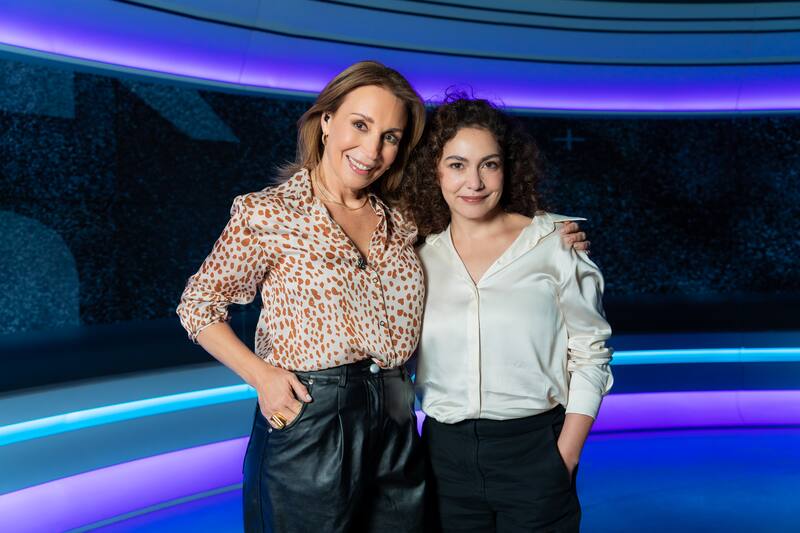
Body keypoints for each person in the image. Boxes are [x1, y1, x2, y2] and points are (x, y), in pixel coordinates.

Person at [177, 61, 590, 532]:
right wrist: (261, 376)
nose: (372, 150)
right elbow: (199, 304)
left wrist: (548, 233)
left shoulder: (405, 219)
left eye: (390, 137)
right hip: (311, 419)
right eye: (360, 125)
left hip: (397, 421)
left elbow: (475, 205)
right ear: (326, 121)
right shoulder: (268, 213)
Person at [402, 96, 613, 532]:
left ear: (508, 168)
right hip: (443, 459)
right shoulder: (416, 258)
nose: (474, 182)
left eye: (489, 164)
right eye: (457, 165)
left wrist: (565, 457)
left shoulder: (554, 244)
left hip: (535, 451)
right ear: (434, 171)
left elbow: (591, 354)